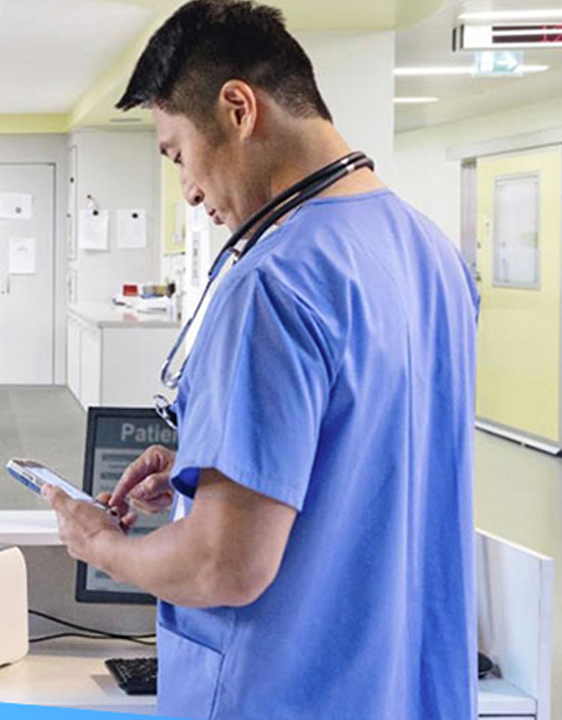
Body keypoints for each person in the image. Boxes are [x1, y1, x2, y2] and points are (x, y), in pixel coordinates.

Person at [43, 1, 480, 718]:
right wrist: (209, 458)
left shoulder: (272, 283)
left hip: (293, 692)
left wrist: (100, 545)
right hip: (407, 686)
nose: (187, 188)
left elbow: (225, 565)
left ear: (239, 108)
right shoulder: (433, 254)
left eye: (178, 153)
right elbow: (368, 448)